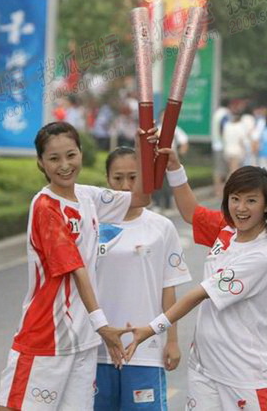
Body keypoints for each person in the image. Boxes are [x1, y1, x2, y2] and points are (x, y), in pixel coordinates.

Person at [0, 122, 151, 411]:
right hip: (45, 338)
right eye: (54, 159)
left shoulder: (88, 196)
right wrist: (102, 325)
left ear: (81, 153)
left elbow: (141, 197)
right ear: (40, 163)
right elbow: (75, 269)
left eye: (71, 155)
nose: (64, 165)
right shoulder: (45, 207)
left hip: (83, 340)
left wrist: (142, 146)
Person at [126, 149, 267, 411]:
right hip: (205, 367)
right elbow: (191, 213)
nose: (241, 208)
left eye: (251, 201)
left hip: (244, 374)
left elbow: (198, 294)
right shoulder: (229, 228)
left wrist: (151, 328)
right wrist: (174, 167)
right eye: (235, 199)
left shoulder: (261, 254)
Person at [94, 146, 192, 410]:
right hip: (96, 349)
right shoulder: (91, 225)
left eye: (133, 177)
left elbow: (168, 291)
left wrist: (171, 341)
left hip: (144, 351)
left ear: (145, 178)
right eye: (117, 178)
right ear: (107, 180)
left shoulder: (161, 227)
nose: (125, 186)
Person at [211, 99, 232, 196]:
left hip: (215, 143)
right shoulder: (225, 114)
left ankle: (217, 189)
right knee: (224, 169)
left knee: (217, 168)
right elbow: (224, 128)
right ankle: (221, 191)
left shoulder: (216, 113)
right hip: (222, 144)